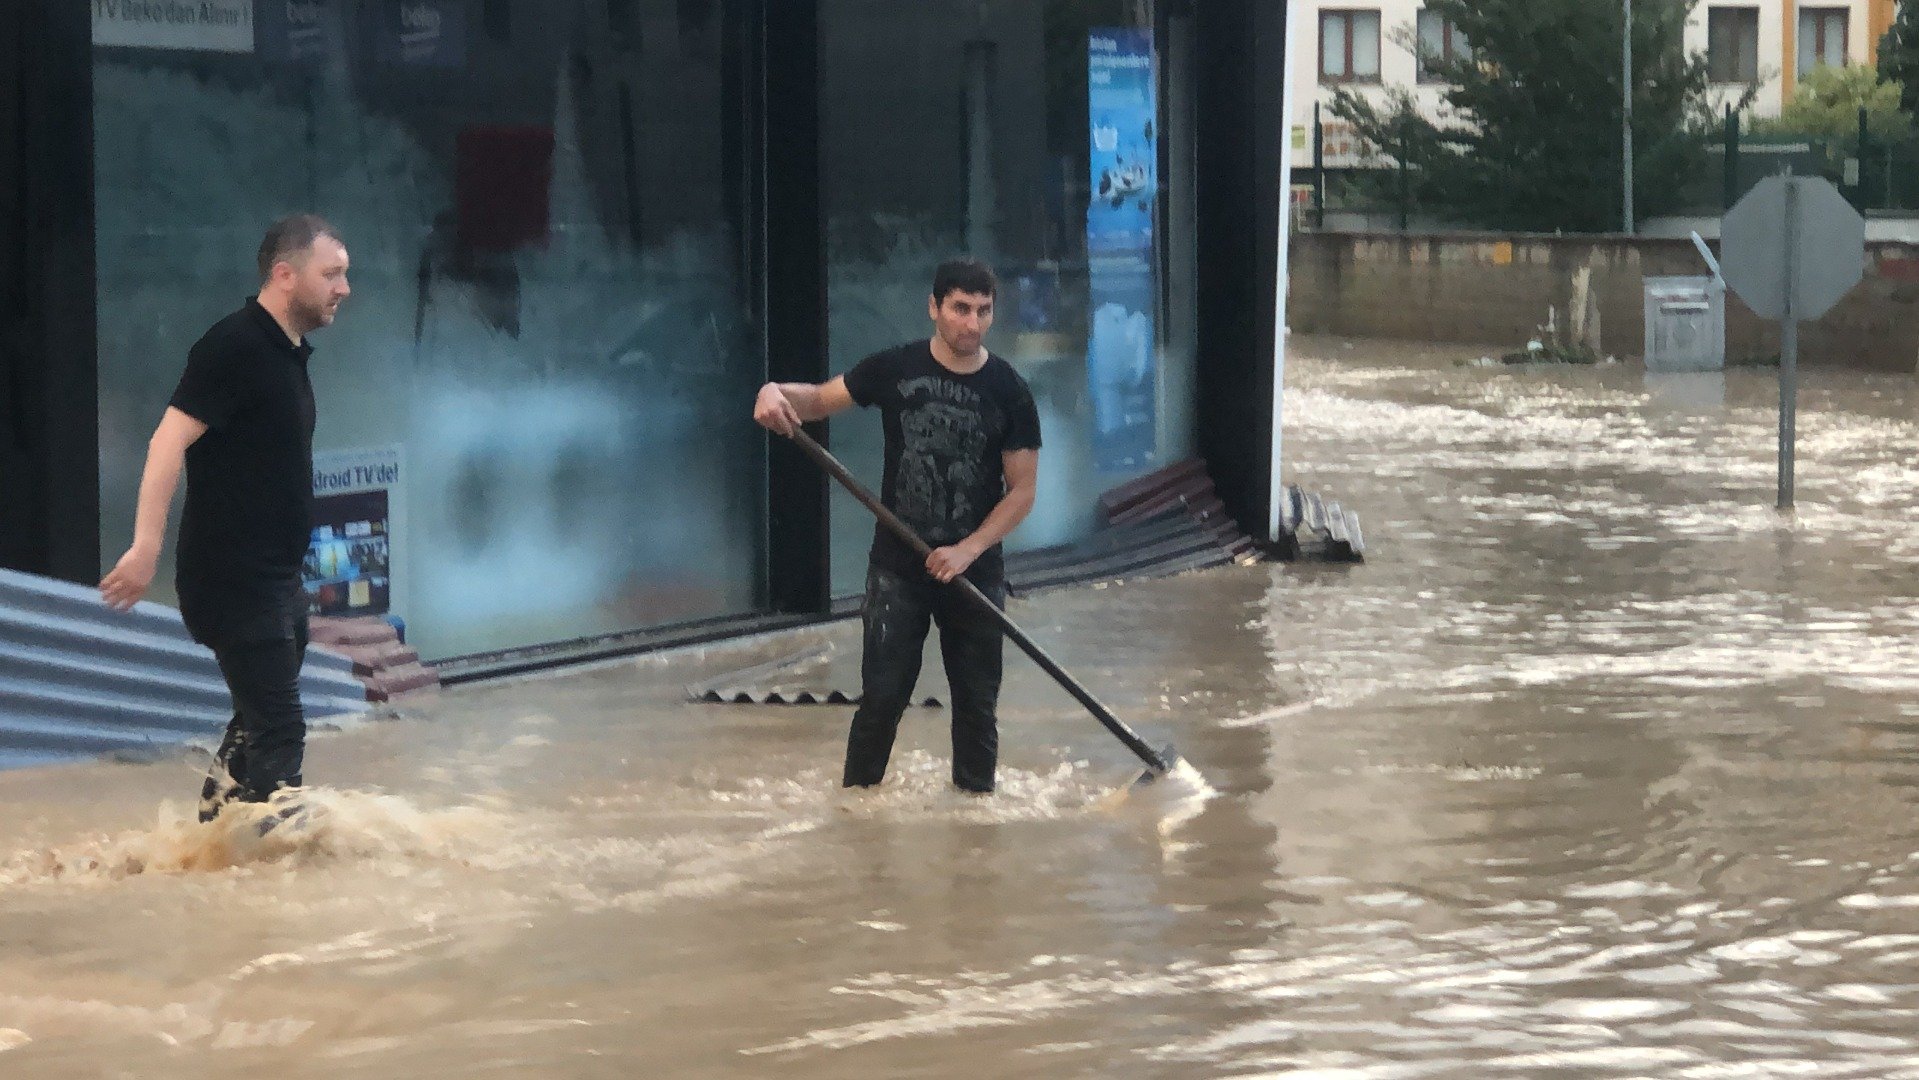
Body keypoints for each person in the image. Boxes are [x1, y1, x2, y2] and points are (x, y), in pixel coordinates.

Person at [753, 259, 1041, 793]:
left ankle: (973, 832)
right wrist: (775, 392)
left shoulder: (1010, 390)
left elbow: (1022, 491)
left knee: (977, 708)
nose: (971, 323)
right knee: (882, 700)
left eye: (983, 311)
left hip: (974, 572)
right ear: (934, 308)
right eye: (959, 308)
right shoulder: (895, 368)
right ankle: (857, 820)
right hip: (898, 569)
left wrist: (968, 550)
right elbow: (817, 400)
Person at [100, 215, 351, 823]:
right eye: (332, 273)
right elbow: (166, 442)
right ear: (284, 275)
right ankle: (265, 880)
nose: (344, 287)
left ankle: (212, 841)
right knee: (281, 729)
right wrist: (144, 547)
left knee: (260, 722)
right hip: (234, 582)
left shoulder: (285, 354)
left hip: (276, 580)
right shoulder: (234, 345)